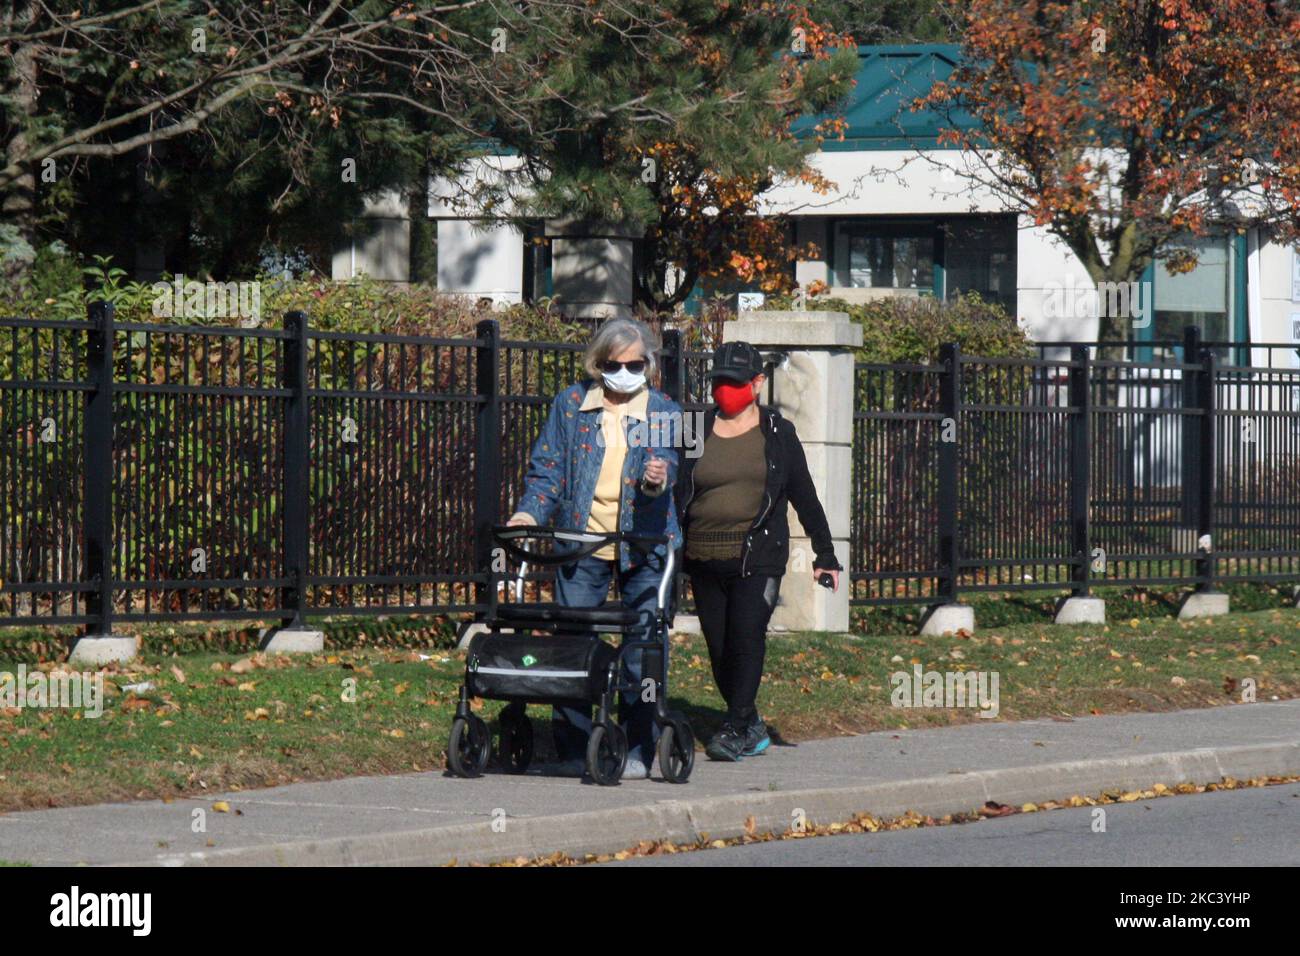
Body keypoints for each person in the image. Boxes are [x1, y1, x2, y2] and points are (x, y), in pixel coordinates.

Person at [507, 318, 682, 779]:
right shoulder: (571, 405)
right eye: (613, 364)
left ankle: (640, 746)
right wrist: (529, 513)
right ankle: (573, 746)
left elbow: (670, 468)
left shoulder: (662, 409)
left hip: (643, 544)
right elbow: (548, 469)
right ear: (597, 363)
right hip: (581, 541)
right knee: (572, 644)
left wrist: (656, 480)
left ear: (649, 363)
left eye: (634, 363)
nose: (624, 372)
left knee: (643, 646)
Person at [676, 340, 841, 761]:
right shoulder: (695, 426)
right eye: (719, 382)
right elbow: (675, 487)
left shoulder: (777, 433)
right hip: (702, 557)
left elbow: (804, 495)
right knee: (719, 647)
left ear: (757, 383)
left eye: (733, 382)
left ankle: (734, 727)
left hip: (758, 556)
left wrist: (825, 555)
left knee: (746, 637)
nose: (724, 390)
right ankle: (749, 722)